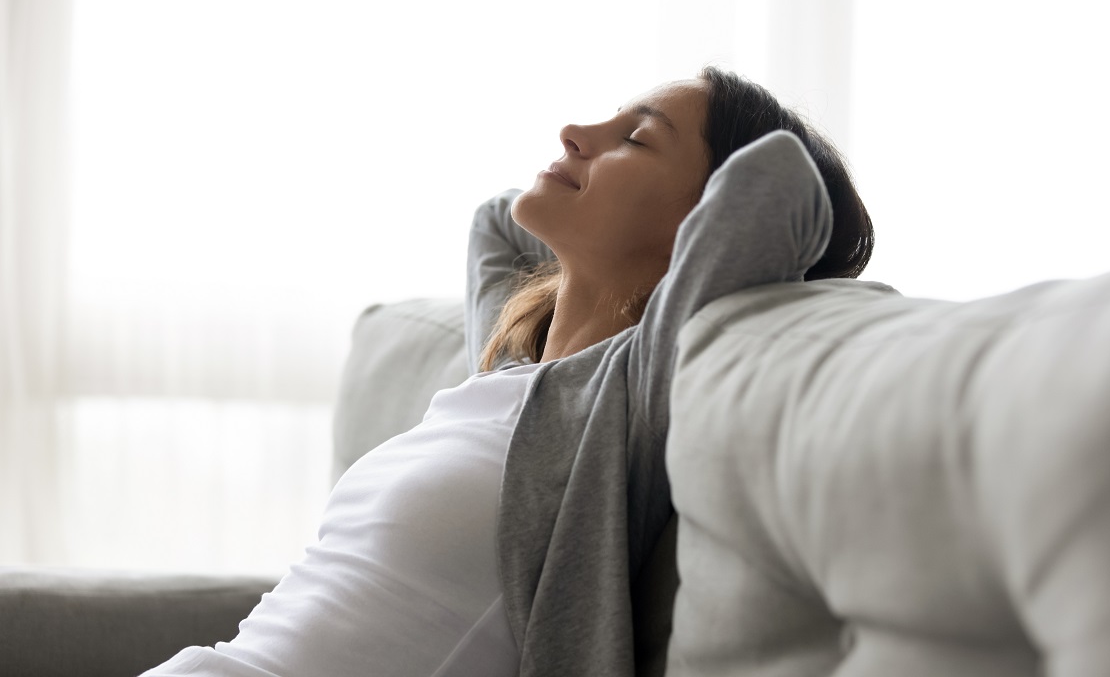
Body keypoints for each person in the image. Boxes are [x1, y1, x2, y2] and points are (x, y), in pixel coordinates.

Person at [143, 66, 873, 677]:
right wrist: (606, 202)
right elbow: (495, 220)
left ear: (700, 226)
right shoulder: (509, 367)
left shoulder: (625, 402)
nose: (575, 134)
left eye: (637, 138)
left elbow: (780, 187)